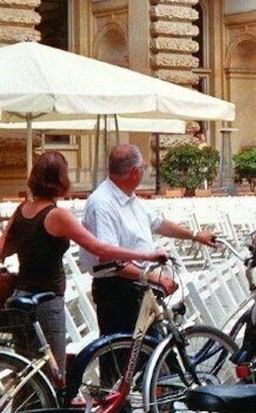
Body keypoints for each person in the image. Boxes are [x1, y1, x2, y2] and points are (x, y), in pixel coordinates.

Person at [0, 151, 169, 378]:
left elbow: (4, 249)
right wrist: (147, 256)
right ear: (61, 179)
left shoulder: (22, 210)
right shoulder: (57, 215)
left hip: (20, 296)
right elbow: (100, 249)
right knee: (53, 374)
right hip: (47, 301)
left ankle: (25, 412)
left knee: (29, 372)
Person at [79, 143, 217, 336]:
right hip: (118, 290)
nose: (144, 171)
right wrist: (151, 276)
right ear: (135, 172)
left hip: (138, 285)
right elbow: (108, 258)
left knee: (151, 350)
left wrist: (195, 235)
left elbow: (159, 223)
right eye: (143, 168)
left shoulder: (129, 197)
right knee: (123, 354)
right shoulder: (103, 203)